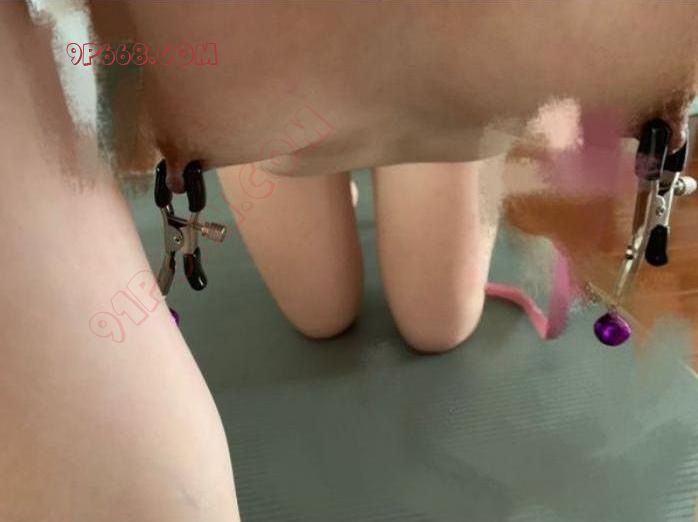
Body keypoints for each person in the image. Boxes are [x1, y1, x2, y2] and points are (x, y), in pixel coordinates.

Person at [2, 1, 698, 520]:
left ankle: (405, 129)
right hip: (263, 114)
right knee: (320, 310)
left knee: (438, 322)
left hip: (462, 103)